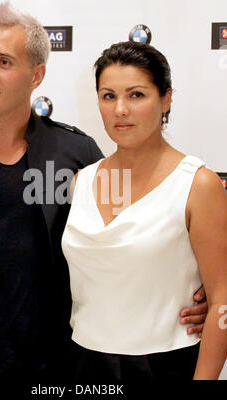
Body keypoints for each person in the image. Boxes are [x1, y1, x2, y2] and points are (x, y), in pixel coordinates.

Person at [0, 2, 207, 380]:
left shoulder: (78, 155)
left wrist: (194, 292)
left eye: (4, 62)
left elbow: (132, 246)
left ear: (36, 75)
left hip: (58, 369)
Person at [62, 41, 227, 381]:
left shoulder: (198, 185)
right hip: (84, 365)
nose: (120, 109)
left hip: (166, 367)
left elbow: (223, 298)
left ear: (166, 99)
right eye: (108, 96)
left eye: (136, 95)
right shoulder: (81, 182)